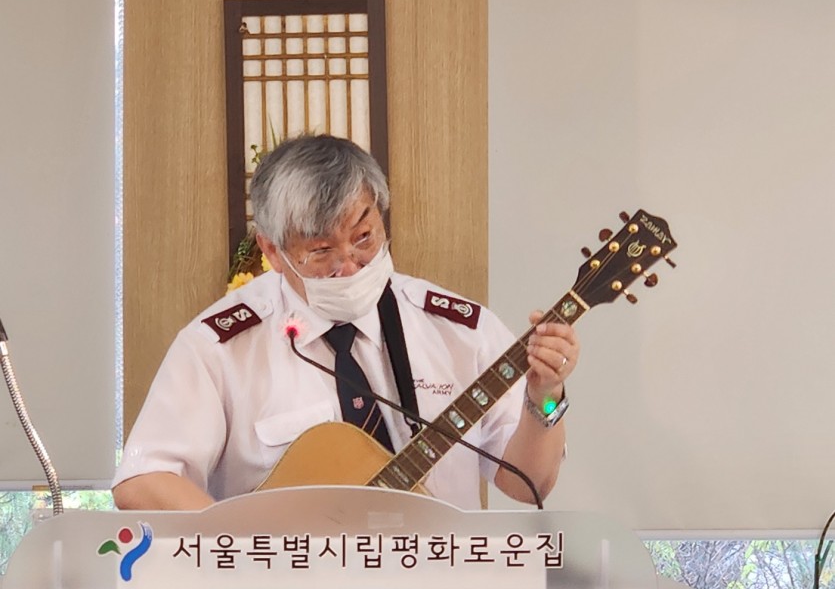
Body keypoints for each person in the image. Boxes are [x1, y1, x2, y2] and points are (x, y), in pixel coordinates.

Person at [112, 134, 579, 512]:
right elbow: (143, 480)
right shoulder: (220, 346)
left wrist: (546, 395)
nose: (350, 266)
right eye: (321, 251)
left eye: (364, 237)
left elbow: (529, 485)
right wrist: (257, 561)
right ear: (272, 250)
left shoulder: (458, 329)